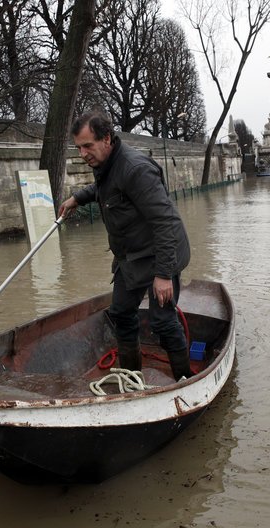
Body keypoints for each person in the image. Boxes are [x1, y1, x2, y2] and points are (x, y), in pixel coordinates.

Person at [58, 110, 193, 381]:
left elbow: (164, 222)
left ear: (106, 138)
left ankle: (185, 378)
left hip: (159, 254)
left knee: (163, 322)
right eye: (78, 148)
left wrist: (164, 275)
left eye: (87, 146)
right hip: (130, 257)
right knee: (120, 313)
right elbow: (106, 190)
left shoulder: (136, 169)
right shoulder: (105, 165)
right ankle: (132, 379)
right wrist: (77, 198)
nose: (83, 154)